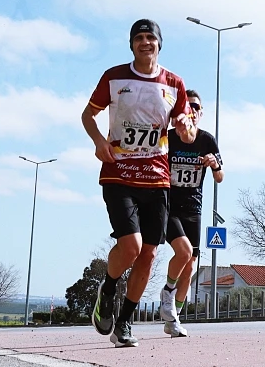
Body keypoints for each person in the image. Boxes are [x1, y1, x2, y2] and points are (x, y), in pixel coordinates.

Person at [82, 19, 194, 348]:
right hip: (119, 173)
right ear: (132, 44)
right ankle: (109, 287)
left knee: (148, 253)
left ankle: (125, 321)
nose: (146, 43)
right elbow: (88, 115)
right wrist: (99, 140)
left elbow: (183, 123)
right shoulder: (114, 77)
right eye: (139, 38)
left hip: (156, 179)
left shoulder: (174, 83)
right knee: (130, 245)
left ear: (160, 44)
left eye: (151, 38)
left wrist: (186, 130)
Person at [159, 88, 223, 337]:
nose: (192, 111)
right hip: (169, 206)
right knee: (183, 252)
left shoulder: (207, 140)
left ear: (201, 113)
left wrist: (215, 164)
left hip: (194, 209)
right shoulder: (169, 138)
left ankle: (172, 317)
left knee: (190, 264)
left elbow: (219, 177)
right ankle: (167, 291)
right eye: (188, 106)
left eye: (196, 107)